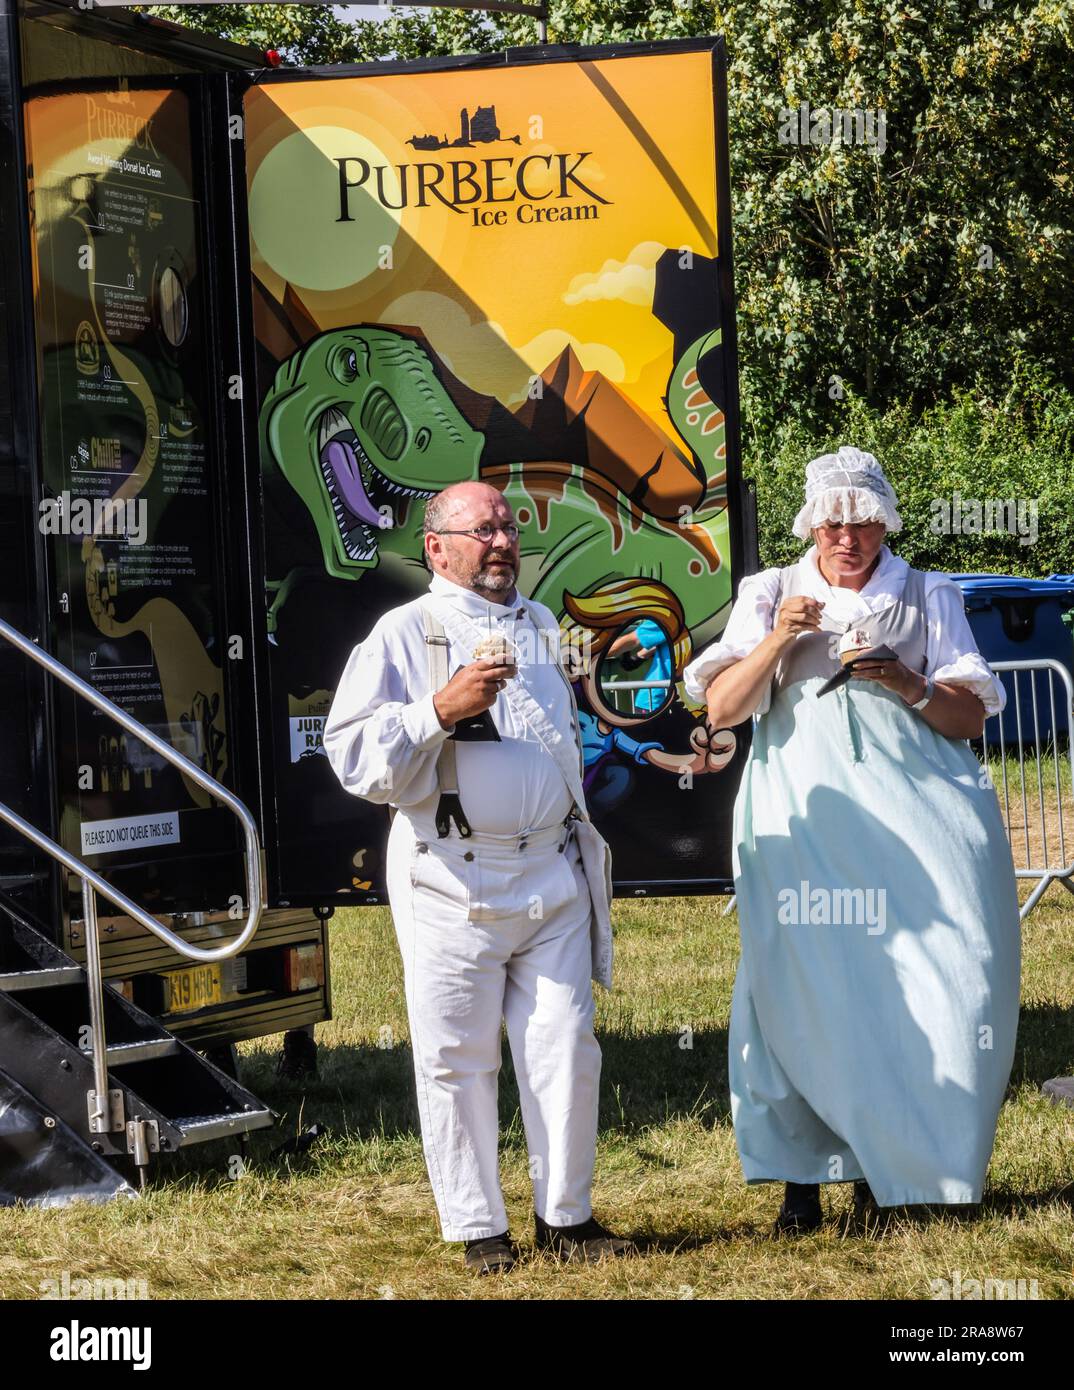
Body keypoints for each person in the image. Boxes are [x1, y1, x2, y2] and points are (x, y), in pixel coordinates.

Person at [683, 447, 1020, 1233]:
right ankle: (804, 1184)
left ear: (883, 522)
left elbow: (970, 716)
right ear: (810, 524)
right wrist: (776, 639)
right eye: (831, 522)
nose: (847, 536)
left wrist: (906, 680)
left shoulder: (928, 593)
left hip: (923, 826)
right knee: (803, 992)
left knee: (940, 986)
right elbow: (721, 710)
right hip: (806, 820)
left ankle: (897, 1173)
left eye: (862, 521)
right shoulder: (769, 592)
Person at [322, 481, 632, 1272]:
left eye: (507, 525)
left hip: (548, 871)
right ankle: (477, 1228)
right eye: (481, 529)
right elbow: (352, 757)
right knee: (458, 1057)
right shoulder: (404, 633)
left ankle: (566, 1218)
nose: (501, 541)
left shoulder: (536, 624)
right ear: (437, 548)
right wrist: (440, 708)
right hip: (451, 879)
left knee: (566, 1047)